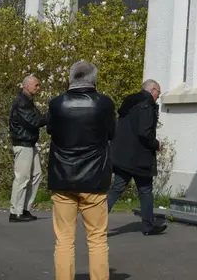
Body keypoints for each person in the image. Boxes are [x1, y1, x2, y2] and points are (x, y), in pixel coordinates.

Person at [47, 61, 116, 280]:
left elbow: (51, 130)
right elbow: (111, 133)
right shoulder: (104, 104)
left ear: (71, 78)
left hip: (62, 176)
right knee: (97, 239)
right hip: (94, 177)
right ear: (94, 80)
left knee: (64, 240)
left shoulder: (56, 104)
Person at [106, 80, 166, 235]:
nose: (158, 97)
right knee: (145, 190)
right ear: (153, 90)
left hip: (123, 155)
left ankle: (95, 221)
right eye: (158, 93)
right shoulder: (146, 105)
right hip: (139, 157)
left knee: (116, 188)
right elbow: (144, 132)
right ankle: (148, 225)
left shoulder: (130, 103)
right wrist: (156, 144)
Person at [8, 74, 47, 223]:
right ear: (26, 86)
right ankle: (15, 211)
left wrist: (46, 117)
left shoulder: (28, 101)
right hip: (23, 143)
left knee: (36, 175)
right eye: (35, 85)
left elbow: (37, 117)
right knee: (22, 178)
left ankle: (24, 208)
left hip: (29, 143)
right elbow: (33, 121)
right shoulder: (22, 102)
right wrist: (50, 117)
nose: (38, 87)